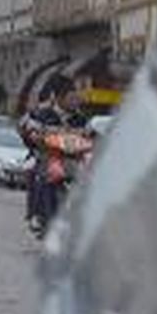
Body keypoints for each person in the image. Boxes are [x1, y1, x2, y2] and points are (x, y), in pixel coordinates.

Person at [18, 77, 90, 237]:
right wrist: (33, 136)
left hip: (72, 160)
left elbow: (88, 137)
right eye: (71, 98)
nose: (75, 101)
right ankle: (36, 214)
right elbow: (26, 127)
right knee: (36, 174)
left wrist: (93, 141)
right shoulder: (42, 114)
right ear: (59, 97)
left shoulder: (81, 119)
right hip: (47, 157)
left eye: (76, 97)